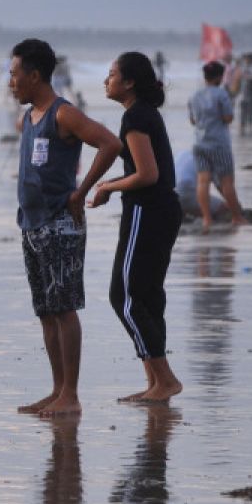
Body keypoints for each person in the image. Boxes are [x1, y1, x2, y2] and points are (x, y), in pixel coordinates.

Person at [9, 38, 122, 417]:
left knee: (64, 308)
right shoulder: (29, 117)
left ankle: (70, 394)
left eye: (14, 74)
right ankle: (57, 389)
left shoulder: (63, 114)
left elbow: (110, 144)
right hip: (32, 224)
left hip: (60, 223)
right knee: (45, 310)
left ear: (34, 75)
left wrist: (82, 192)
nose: (11, 82)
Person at [89, 51, 185, 403]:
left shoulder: (135, 118)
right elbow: (147, 173)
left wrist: (106, 187)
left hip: (149, 211)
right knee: (146, 296)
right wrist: (112, 187)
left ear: (128, 82)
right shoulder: (144, 114)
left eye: (112, 74)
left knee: (125, 297)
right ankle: (156, 384)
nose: (106, 80)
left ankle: (166, 379)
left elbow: (147, 175)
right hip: (160, 209)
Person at [189, 61, 248, 232]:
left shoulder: (194, 95)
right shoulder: (222, 95)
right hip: (219, 144)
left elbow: (193, 120)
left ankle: (207, 218)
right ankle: (237, 217)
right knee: (226, 181)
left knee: (202, 181)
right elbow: (228, 117)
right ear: (220, 77)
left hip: (199, 143)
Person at [174, 150, 227, 219]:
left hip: (173, 196)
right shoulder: (206, 160)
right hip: (186, 192)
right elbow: (220, 186)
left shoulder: (181, 154)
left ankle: (185, 211)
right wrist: (234, 204)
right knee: (225, 208)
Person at [238, 52, 252, 135]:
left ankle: (251, 125)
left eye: (247, 59)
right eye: (245, 59)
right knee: (243, 108)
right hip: (244, 91)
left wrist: (244, 76)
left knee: (251, 109)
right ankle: (242, 125)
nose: (246, 60)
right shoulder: (244, 67)